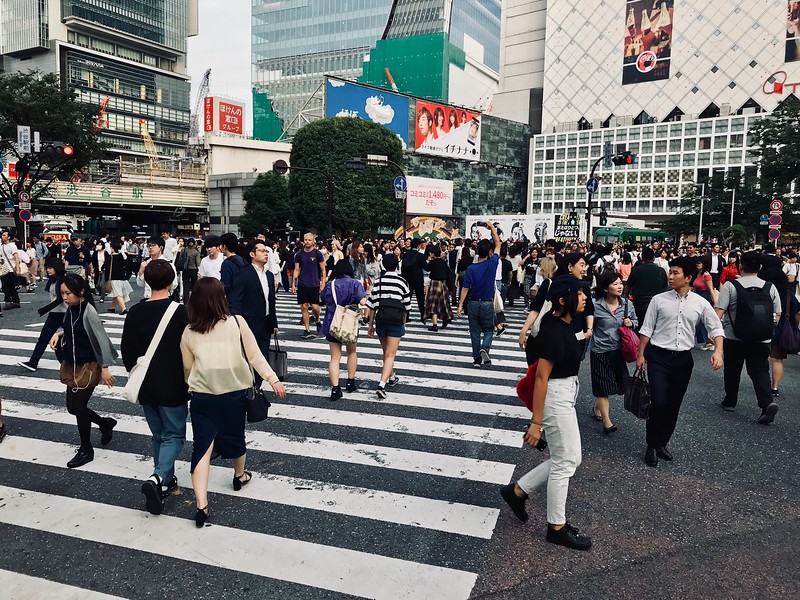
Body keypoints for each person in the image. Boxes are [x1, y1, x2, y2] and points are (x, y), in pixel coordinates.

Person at [180, 277, 286, 527]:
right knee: (236, 436)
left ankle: (201, 506)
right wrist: (272, 379)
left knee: (202, 448)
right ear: (221, 298)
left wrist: (193, 383)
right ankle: (239, 475)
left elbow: (187, 368)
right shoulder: (237, 323)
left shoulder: (189, 331)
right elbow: (255, 355)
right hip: (233, 394)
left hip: (202, 397)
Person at [499, 276, 593, 551]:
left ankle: (517, 491)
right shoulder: (553, 330)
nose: (585, 296)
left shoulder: (565, 323)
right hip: (554, 396)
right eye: (579, 293)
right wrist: (536, 423)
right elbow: (541, 378)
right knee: (565, 463)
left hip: (565, 393)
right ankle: (556, 526)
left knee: (571, 458)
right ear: (563, 300)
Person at [636, 257, 725, 467]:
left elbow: (716, 328)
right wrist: (640, 354)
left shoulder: (700, 303)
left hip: (683, 360)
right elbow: (647, 328)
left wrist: (718, 351)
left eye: (675, 273)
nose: (671, 276)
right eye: (671, 272)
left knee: (674, 404)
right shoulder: (658, 300)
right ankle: (652, 444)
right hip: (658, 357)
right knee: (658, 402)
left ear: (688, 278)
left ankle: (662, 443)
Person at [121, 260, 189, 515]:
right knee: (174, 434)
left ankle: (167, 480)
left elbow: (127, 349)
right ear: (172, 281)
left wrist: (135, 372)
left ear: (147, 281)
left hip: (145, 383)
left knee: (158, 434)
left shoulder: (136, 311)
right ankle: (158, 477)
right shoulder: (179, 311)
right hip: (172, 382)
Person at [48, 273, 118, 469]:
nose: (64, 297)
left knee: (78, 408)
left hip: (88, 365)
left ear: (80, 292)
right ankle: (104, 423)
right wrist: (59, 333)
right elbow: (72, 328)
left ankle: (86, 449)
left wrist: (104, 368)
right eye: (62, 293)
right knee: (72, 407)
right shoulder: (71, 308)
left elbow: (101, 340)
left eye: (67, 293)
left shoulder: (88, 311)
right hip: (73, 364)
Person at [715, 251, 782, 423]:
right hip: (762, 338)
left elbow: (719, 313)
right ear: (760, 267)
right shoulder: (770, 286)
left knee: (732, 369)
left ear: (740, 266)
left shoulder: (731, 286)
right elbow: (777, 314)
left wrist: (714, 334)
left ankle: (730, 401)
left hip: (734, 337)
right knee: (759, 371)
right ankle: (766, 403)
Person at [590, 271, 637, 433]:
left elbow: (636, 322)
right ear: (605, 288)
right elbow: (590, 327)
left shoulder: (627, 305)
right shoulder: (596, 306)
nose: (619, 286)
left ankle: (598, 407)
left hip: (618, 351)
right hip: (599, 350)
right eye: (615, 284)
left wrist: (631, 323)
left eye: (620, 283)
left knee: (620, 384)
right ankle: (607, 422)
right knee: (602, 385)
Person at [228, 239, 279, 387]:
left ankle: (256, 388)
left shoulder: (269, 275)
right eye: (262, 251)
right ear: (252, 254)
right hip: (248, 324)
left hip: (265, 323)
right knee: (247, 359)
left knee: (262, 357)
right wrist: (236, 324)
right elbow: (235, 301)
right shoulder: (243, 274)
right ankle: (247, 389)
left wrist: (274, 322)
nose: (266, 253)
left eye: (267, 251)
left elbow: (271, 301)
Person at [320, 260, 367, 400]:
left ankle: (335, 389)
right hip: (349, 322)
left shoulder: (330, 284)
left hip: (332, 321)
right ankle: (350, 381)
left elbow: (322, 299)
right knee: (352, 352)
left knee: (335, 357)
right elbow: (363, 301)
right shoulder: (355, 283)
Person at [457, 221, 501, 367]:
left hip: (473, 303)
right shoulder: (492, 263)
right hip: (487, 302)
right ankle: (485, 348)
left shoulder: (471, 268)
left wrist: (460, 305)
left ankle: (476, 358)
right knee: (489, 329)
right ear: (490, 252)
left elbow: (465, 288)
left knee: (474, 331)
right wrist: (492, 228)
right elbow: (498, 244)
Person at [367, 254, 410, 398]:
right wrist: (403, 322)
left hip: (381, 318)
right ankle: (382, 384)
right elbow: (406, 305)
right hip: (396, 320)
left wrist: (370, 325)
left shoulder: (378, 281)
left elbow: (372, 305)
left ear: (383, 265)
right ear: (397, 264)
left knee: (386, 352)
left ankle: (392, 376)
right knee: (390, 354)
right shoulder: (402, 281)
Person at [18, 258, 68, 372]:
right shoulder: (52, 280)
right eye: (47, 268)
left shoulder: (63, 281)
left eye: (50, 268)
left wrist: (44, 309)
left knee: (73, 337)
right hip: (54, 314)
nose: (48, 270)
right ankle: (33, 362)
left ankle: (80, 360)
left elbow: (60, 299)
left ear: (57, 268)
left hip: (66, 313)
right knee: (43, 338)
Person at [293, 233, 327, 339]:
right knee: (304, 306)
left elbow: (323, 269)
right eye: (305, 240)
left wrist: (323, 282)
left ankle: (317, 320)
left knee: (315, 307)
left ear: (313, 241)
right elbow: (296, 269)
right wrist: (293, 283)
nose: (307, 241)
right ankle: (307, 329)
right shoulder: (299, 254)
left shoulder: (318, 254)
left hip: (314, 283)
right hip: (302, 283)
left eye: (309, 240)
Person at [626, 247, 668, 328]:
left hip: (639, 302)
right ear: (654, 258)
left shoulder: (636, 270)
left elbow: (628, 286)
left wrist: (625, 297)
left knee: (640, 325)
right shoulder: (661, 271)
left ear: (642, 258)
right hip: (657, 303)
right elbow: (665, 288)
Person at [424, 245, 453, 331]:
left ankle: (434, 324)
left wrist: (428, 260)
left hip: (435, 283)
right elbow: (448, 274)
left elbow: (427, 269)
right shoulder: (443, 262)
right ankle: (446, 318)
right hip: (443, 284)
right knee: (443, 303)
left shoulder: (432, 262)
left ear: (432, 254)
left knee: (433, 304)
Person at [692, 257, 717, 350]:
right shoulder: (699, 274)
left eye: (700, 263)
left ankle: (709, 341)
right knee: (698, 320)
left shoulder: (706, 275)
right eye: (697, 263)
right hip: (697, 296)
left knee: (703, 320)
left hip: (704, 296)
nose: (697, 264)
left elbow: (710, 289)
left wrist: (715, 302)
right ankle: (705, 340)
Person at [401, 238, 427, 322]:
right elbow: (426, 267)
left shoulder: (406, 254)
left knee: (407, 297)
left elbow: (403, 267)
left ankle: (406, 315)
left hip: (407, 279)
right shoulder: (420, 256)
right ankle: (423, 315)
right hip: (418, 279)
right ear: (418, 245)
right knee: (420, 298)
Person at [106, 241, 133, 315]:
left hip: (114, 277)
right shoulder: (122, 256)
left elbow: (106, 266)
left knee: (118, 294)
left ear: (113, 249)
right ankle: (112, 307)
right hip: (122, 277)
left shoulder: (111, 257)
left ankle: (123, 309)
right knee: (116, 292)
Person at [219, 232, 246, 299]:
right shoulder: (242, 259)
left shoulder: (227, 264)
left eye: (220, 245)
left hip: (233, 299)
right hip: (243, 297)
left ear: (224, 246)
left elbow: (226, 285)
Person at [1, 229, 22, 310]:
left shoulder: (12, 246)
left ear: (9, 237)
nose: (2, 237)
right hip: (4, 269)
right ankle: (16, 301)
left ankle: (8, 301)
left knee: (5, 286)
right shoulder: (1, 246)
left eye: (4, 235)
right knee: (10, 286)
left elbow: (16, 258)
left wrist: (17, 268)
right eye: (2, 235)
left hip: (10, 269)